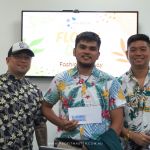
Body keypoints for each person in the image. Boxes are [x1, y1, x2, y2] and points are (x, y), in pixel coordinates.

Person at [42, 31, 126, 150]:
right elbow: (45, 106)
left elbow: (118, 122)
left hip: (100, 145)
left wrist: (100, 147)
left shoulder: (110, 81)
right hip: (67, 144)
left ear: (98, 54)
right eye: (82, 47)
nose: (87, 51)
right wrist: (60, 123)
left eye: (92, 48)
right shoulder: (61, 79)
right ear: (74, 51)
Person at [0, 42, 47, 150]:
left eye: (27, 58)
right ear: (7, 60)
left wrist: (43, 148)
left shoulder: (35, 91)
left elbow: (40, 125)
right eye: (18, 56)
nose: (23, 60)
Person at [118, 34, 150, 150]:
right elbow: (113, 122)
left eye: (143, 49)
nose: (138, 53)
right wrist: (132, 136)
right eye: (133, 50)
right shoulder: (117, 84)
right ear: (127, 54)